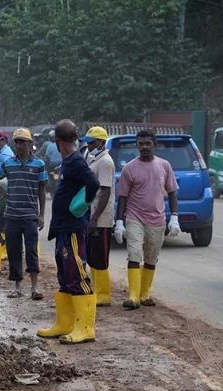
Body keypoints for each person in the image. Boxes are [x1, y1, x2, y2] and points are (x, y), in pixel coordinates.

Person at [37, 120, 100, 344]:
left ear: (58, 141)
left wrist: (80, 205)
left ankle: (85, 328)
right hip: (64, 228)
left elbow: (93, 183)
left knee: (77, 275)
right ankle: (64, 324)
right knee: (65, 276)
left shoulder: (75, 161)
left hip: (73, 228)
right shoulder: (69, 161)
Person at [114, 129, 180, 310]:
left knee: (151, 257)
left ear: (154, 144)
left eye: (147, 143)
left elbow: (172, 192)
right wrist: (119, 222)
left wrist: (174, 217)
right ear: (137, 145)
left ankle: (144, 294)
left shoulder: (164, 166)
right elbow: (123, 197)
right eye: (141, 144)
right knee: (134, 253)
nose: (144, 147)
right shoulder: (129, 168)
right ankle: (133, 296)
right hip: (135, 217)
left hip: (157, 219)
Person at [0, 128, 46, 299]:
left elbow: (42, 190)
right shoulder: (8, 164)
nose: (19, 145)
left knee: (31, 251)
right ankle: (18, 287)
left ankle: (34, 288)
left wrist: (42, 214)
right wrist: (2, 192)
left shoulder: (39, 164)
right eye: (16, 141)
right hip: (12, 216)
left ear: (29, 143)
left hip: (30, 215)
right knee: (14, 251)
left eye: (22, 141)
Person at [82, 127, 115, 307]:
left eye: (92, 142)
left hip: (101, 217)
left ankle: (103, 295)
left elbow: (105, 191)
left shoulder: (105, 162)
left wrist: (94, 218)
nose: (88, 145)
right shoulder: (94, 159)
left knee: (100, 257)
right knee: (93, 255)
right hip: (92, 213)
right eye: (88, 142)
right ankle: (97, 290)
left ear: (101, 142)